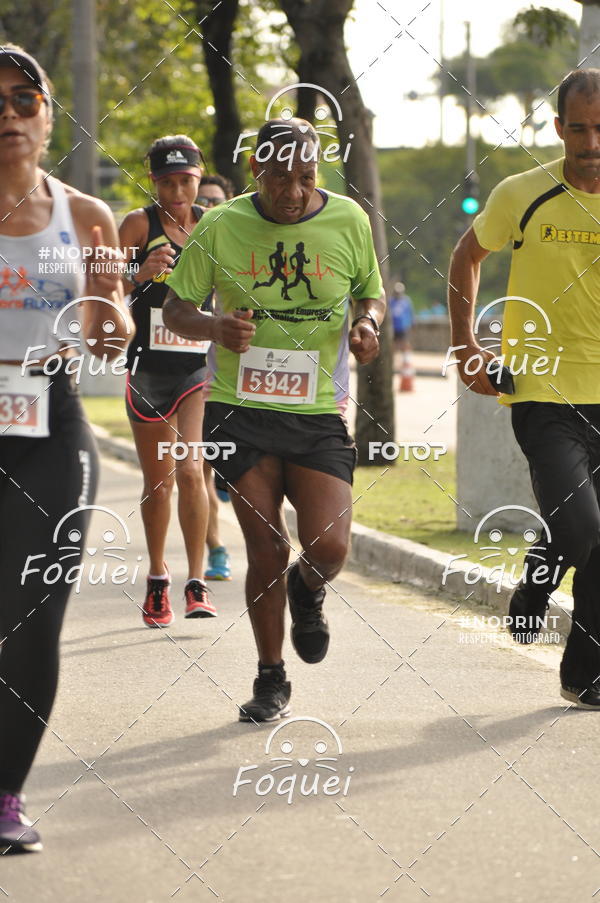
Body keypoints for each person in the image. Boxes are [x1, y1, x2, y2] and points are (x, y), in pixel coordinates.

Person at [163, 118, 384, 722]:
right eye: (280, 177)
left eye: (306, 177)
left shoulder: (349, 220)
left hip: (317, 411)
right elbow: (176, 307)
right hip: (240, 409)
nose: (293, 191)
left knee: (329, 546)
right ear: (256, 170)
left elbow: (369, 291)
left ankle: (306, 589)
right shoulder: (221, 223)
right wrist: (214, 327)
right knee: (266, 547)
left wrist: (367, 324)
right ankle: (270, 677)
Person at [0, 44, 131, 853]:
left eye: (25, 99)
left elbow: (112, 319)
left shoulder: (87, 217)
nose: (9, 115)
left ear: (48, 117)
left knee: (32, 614)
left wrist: (112, 322)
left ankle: (4, 794)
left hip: (50, 421)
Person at [448, 68, 600, 709]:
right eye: (580, 128)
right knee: (583, 529)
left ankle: (583, 671)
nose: (592, 143)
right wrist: (466, 346)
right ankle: (541, 586)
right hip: (542, 392)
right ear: (559, 128)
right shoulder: (522, 194)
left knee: (594, 539)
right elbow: (466, 256)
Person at [119, 135, 217, 625]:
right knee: (159, 485)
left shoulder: (214, 223)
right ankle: (158, 576)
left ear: (198, 177)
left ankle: (196, 582)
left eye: (186, 181)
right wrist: (139, 274)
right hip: (148, 368)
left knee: (192, 471)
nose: (177, 192)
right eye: (167, 183)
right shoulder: (139, 224)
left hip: (196, 365)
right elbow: (101, 285)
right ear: (153, 180)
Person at [197, 173, 234, 581]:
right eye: (201, 200)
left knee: (218, 461)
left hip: (234, 377)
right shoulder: (179, 245)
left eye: (215, 201)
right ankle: (217, 549)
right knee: (197, 469)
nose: (207, 208)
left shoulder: (239, 245)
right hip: (192, 373)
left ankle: (227, 470)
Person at [389, 281, 414, 392]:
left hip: (403, 328)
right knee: (393, 348)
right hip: (393, 328)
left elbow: (410, 314)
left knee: (405, 347)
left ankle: (405, 362)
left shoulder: (406, 301)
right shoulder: (391, 301)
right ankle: (392, 363)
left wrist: (411, 325)